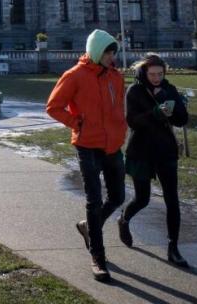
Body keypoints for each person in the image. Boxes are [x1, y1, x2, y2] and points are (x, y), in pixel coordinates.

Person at [46, 29, 127, 282]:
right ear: (95, 51)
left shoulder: (116, 77)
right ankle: (98, 258)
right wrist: (76, 123)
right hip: (88, 145)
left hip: (113, 145)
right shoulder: (75, 75)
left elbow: (118, 108)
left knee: (117, 197)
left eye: (113, 52)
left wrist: (121, 129)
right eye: (107, 52)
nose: (112, 57)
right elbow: (53, 107)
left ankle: (87, 227)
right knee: (94, 200)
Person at [118, 53, 190, 267]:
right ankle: (124, 219)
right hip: (140, 152)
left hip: (166, 151)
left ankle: (173, 247)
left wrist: (173, 108)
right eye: (152, 74)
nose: (157, 78)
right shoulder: (135, 91)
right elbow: (132, 121)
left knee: (172, 200)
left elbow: (182, 119)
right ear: (144, 72)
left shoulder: (170, 89)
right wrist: (156, 112)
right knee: (143, 199)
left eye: (160, 73)